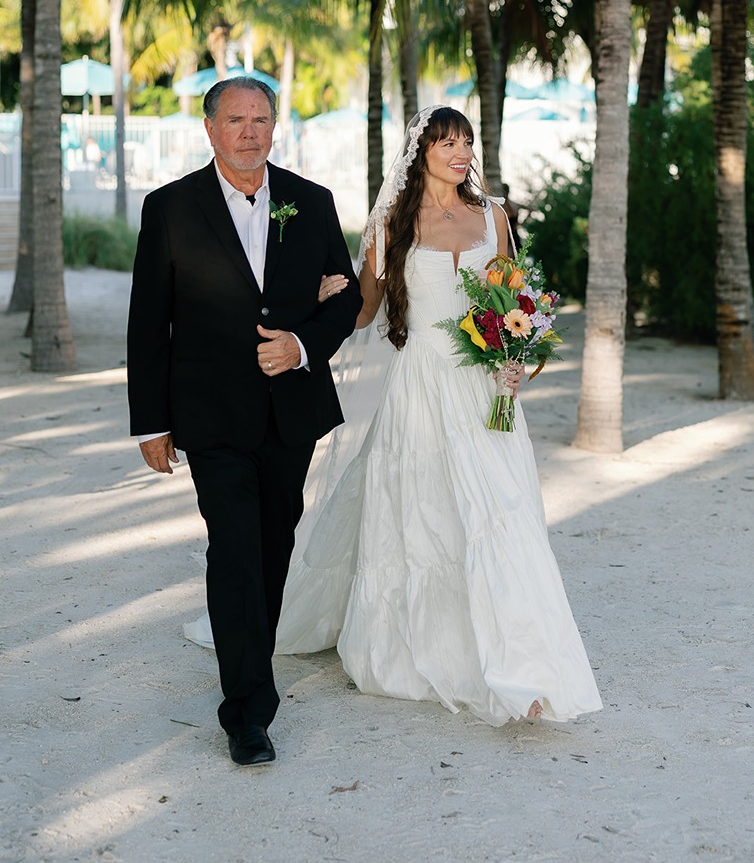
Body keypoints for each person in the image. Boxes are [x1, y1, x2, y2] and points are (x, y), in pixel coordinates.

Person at [187, 105, 602, 726]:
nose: (460, 152)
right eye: (446, 142)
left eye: (466, 140)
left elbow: (515, 300)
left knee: (502, 517)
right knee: (428, 517)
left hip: (485, 391)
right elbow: (360, 312)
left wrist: (519, 363)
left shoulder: (494, 217)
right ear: (420, 152)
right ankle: (425, 651)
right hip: (421, 389)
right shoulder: (391, 225)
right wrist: (317, 303)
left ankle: (524, 667)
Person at [127, 76, 362, 766]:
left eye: (261, 119)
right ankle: (248, 713)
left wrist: (299, 346)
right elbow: (150, 323)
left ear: (274, 126)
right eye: (236, 119)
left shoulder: (311, 203)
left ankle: (249, 675)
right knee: (233, 551)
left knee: (272, 548)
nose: (250, 131)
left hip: (289, 413)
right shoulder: (168, 209)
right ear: (210, 129)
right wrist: (151, 423)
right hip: (210, 416)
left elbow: (343, 301)